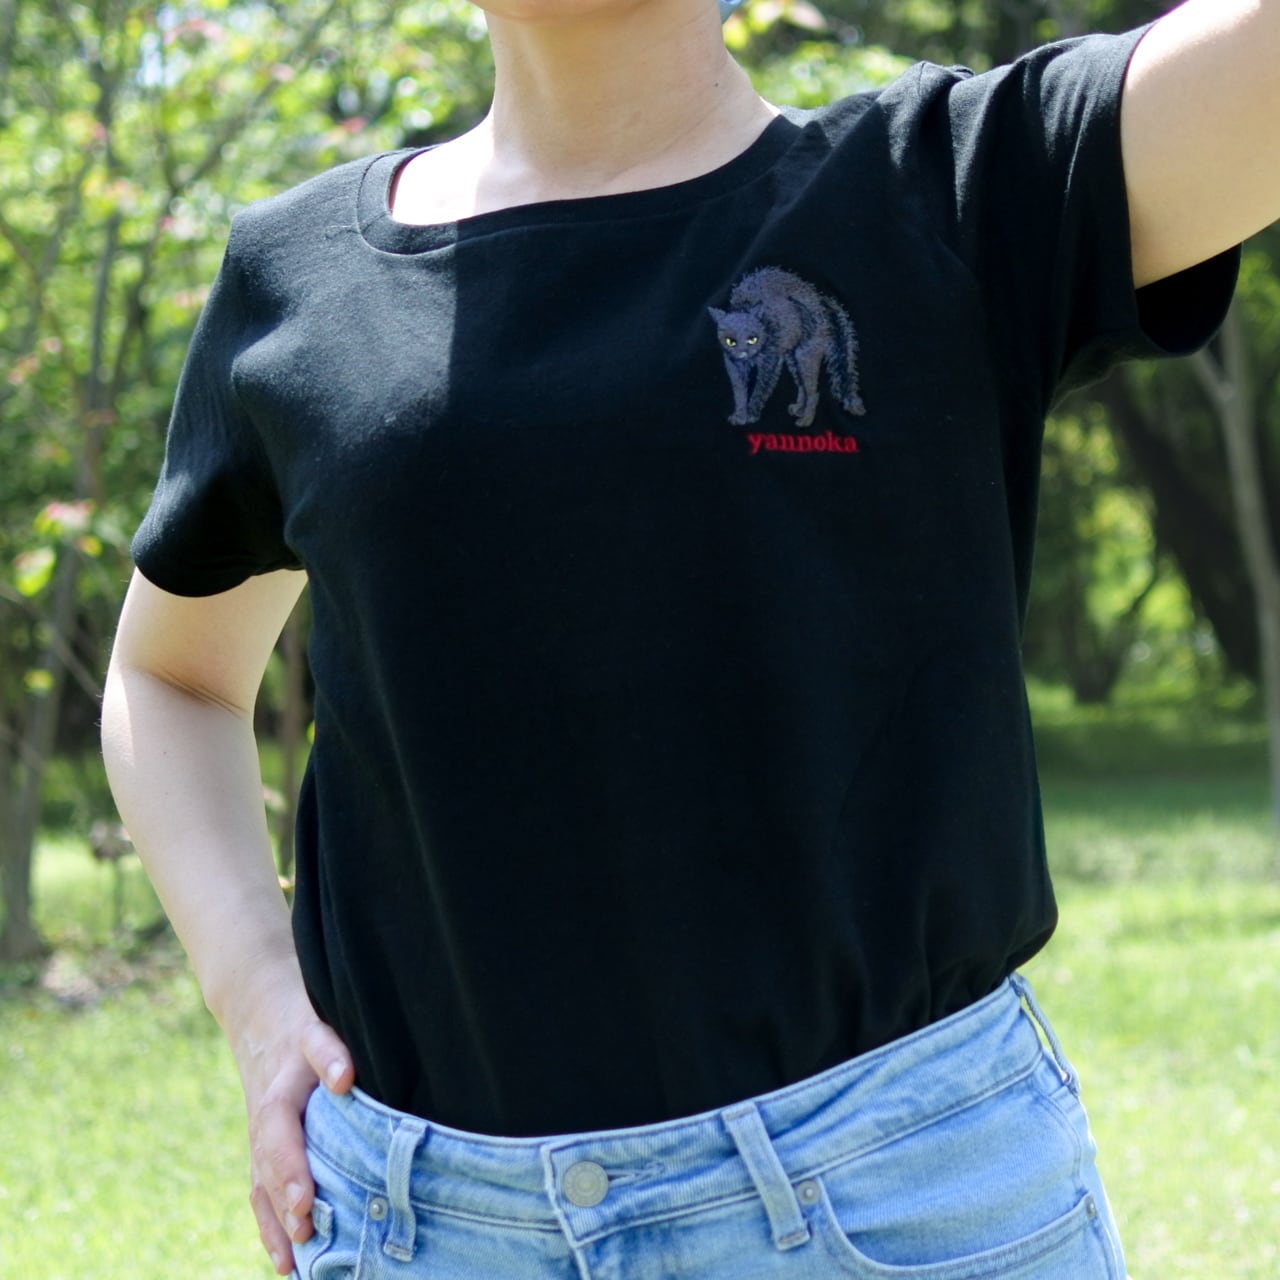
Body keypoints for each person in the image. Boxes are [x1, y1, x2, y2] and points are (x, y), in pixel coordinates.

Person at [101, 0, 1269, 1276]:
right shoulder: (297, 276)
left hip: (891, 1207)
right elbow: (170, 673)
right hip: (427, 1226)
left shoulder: (946, 185)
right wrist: (255, 997)